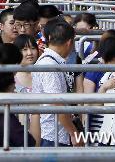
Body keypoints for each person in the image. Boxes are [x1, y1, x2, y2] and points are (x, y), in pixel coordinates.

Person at [32, 19, 84, 147]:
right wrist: (73, 133)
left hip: (56, 134)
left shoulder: (51, 62)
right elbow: (57, 104)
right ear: (69, 43)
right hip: (54, 136)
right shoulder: (49, 65)